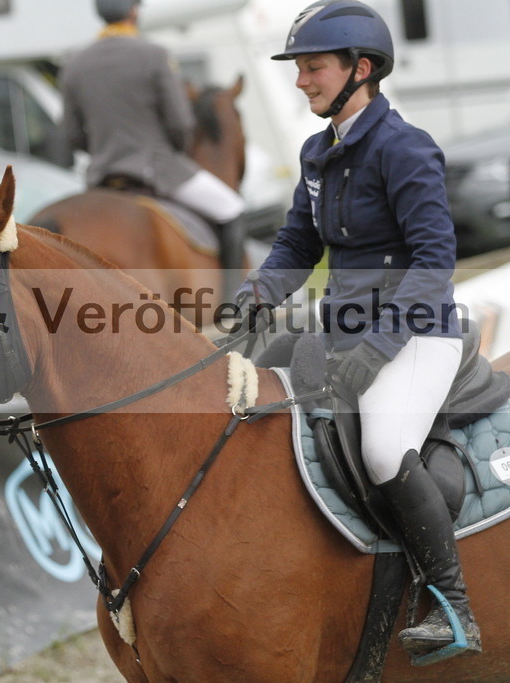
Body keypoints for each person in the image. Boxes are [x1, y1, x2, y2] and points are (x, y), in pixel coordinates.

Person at [234, 0, 479, 662]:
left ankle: (453, 604)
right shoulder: (318, 153)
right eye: (300, 69)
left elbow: (434, 263)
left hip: (419, 331)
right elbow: (295, 245)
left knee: (381, 447)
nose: (301, 81)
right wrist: (254, 295)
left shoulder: (405, 148)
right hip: (343, 328)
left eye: (312, 68)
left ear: (360, 69)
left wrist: (378, 347)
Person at [59, 0, 247, 288]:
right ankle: (233, 304)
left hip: (102, 176)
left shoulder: (73, 64)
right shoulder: (154, 54)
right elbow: (180, 124)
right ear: (134, 11)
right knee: (232, 210)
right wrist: (175, 150)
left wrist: (102, 151)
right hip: (159, 169)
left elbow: (72, 134)